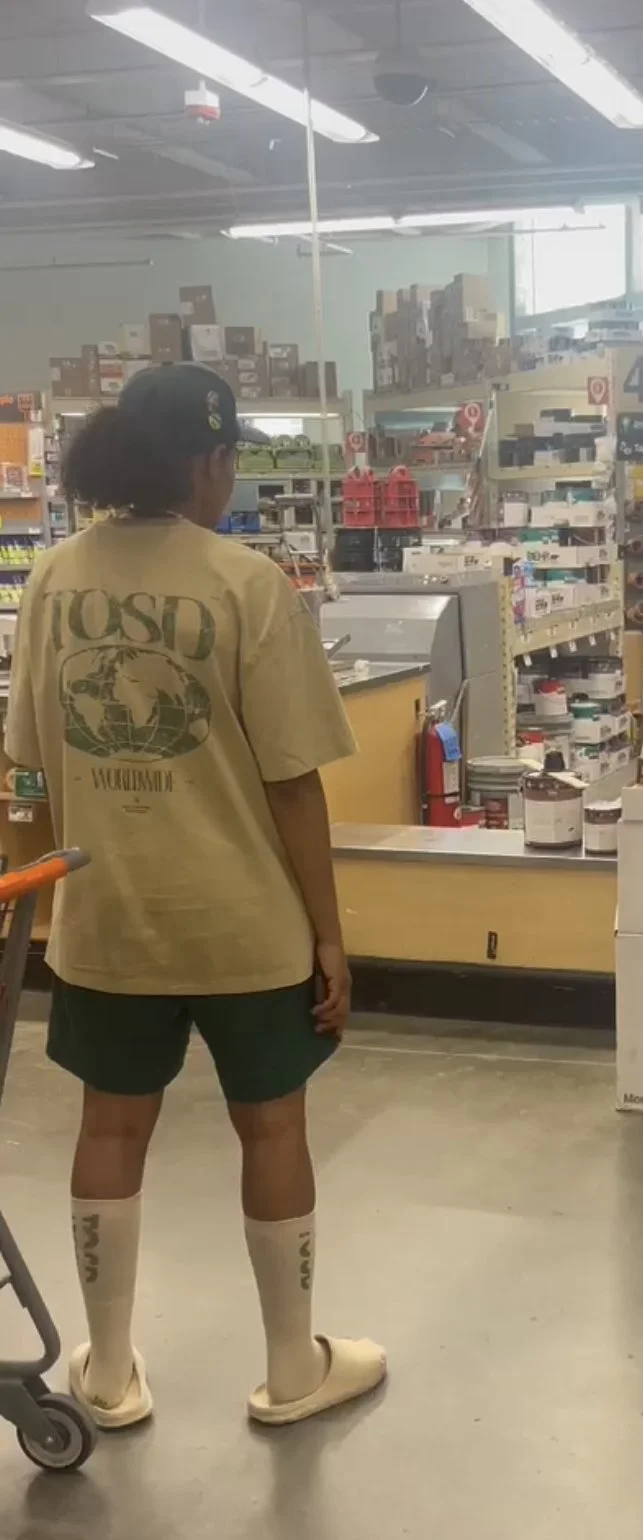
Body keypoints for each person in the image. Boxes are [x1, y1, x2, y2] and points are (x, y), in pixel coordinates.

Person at [5, 363, 386, 1428]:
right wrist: (330, 936)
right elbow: (292, 778)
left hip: (106, 915)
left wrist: (30, 900)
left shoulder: (54, 580)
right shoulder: (245, 583)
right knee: (271, 1130)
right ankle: (292, 1370)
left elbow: (27, 765)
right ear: (211, 461)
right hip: (244, 924)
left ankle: (109, 1374)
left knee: (110, 1129)